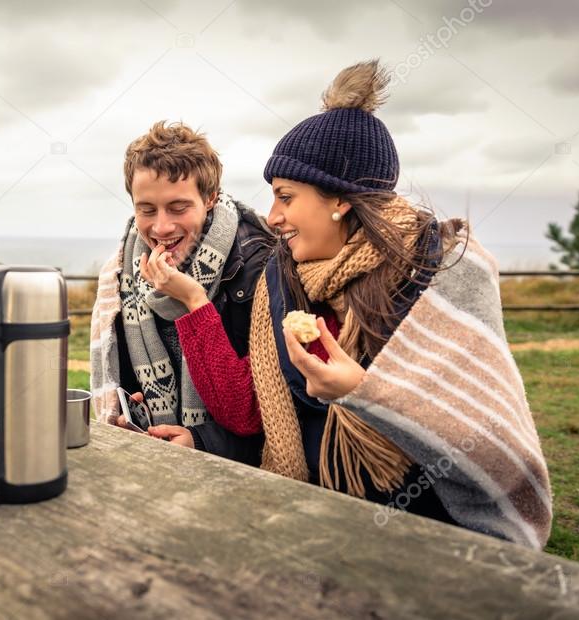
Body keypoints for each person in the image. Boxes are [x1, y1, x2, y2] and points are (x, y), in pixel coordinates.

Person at [142, 60, 552, 550]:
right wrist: (193, 306)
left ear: (339, 200)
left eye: (286, 197)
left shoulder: (441, 273)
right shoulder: (285, 278)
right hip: (314, 527)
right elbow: (248, 410)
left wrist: (362, 392)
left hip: (427, 539)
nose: (272, 216)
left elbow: (492, 448)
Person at [89, 121, 272, 464]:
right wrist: (136, 413)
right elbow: (126, 379)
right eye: (146, 209)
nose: (161, 227)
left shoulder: (257, 267)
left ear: (210, 198)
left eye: (178, 208)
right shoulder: (122, 271)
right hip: (156, 461)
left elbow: (263, 412)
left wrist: (202, 441)